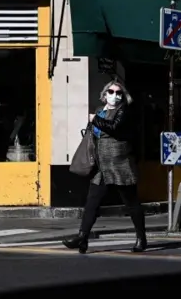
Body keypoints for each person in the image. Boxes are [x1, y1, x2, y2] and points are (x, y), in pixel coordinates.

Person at [62, 80, 147, 254]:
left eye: (118, 93)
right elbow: (92, 137)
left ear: (124, 96)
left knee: (131, 203)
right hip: (101, 167)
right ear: (104, 94)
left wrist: (94, 120)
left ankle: (141, 237)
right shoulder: (100, 111)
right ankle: (82, 237)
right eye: (111, 92)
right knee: (91, 203)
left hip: (120, 166)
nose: (114, 96)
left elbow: (114, 128)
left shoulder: (124, 111)